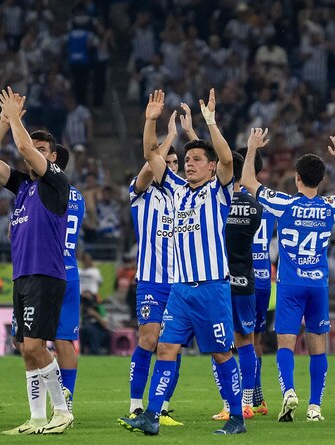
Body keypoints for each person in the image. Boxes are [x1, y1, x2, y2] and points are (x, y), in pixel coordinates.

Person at [119, 89, 244, 436]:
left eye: (196, 160)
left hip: (211, 288)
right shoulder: (174, 189)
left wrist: (211, 123)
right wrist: (150, 120)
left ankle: (236, 417)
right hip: (179, 291)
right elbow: (149, 154)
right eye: (187, 160)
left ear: (211, 166)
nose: (188, 164)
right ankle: (152, 416)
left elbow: (229, 162)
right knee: (165, 348)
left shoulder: (218, 192)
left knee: (221, 355)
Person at [241, 128, 335, 422]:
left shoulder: (284, 204)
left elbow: (247, 181)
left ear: (297, 178)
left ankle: (289, 392)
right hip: (318, 285)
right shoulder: (329, 206)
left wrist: (252, 148)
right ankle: (315, 406)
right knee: (317, 344)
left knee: (286, 342)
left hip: (290, 284)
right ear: (321, 180)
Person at [0, 87, 72, 435]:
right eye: (34, 147)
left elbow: (22, 148)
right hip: (23, 276)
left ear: (53, 159)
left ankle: (62, 411)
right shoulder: (21, 186)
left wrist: (17, 119)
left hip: (46, 274)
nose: (33, 152)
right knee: (25, 349)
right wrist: (5, 122)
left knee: (36, 345)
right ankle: (35, 417)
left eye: (42, 150)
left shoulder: (56, 183)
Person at [126, 107, 184, 426]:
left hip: (180, 282)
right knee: (148, 339)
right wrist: (169, 136)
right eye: (169, 162)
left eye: (176, 163)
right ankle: (136, 404)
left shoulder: (185, 197)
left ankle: (160, 407)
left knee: (171, 345)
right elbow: (151, 164)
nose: (171, 167)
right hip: (151, 280)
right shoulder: (143, 195)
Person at [211, 151, 262, 421]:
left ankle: (227, 403)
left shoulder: (217, 202)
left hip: (219, 281)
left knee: (218, 345)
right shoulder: (255, 207)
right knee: (247, 344)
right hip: (245, 280)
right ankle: (246, 402)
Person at [237, 146, 274, 417]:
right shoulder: (268, 201)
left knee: (238, 341)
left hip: (240, 277)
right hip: (264, 279)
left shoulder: (232, 199)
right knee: (255, 338)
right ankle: (259, 397)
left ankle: (242, 400)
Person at [52, 143, 86, 414]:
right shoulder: (78, 196)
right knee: (65, 341)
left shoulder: (44, 191)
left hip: (45, 273)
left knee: (29, 342)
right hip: (70, 272)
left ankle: (45, 401)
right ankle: (67, 400)